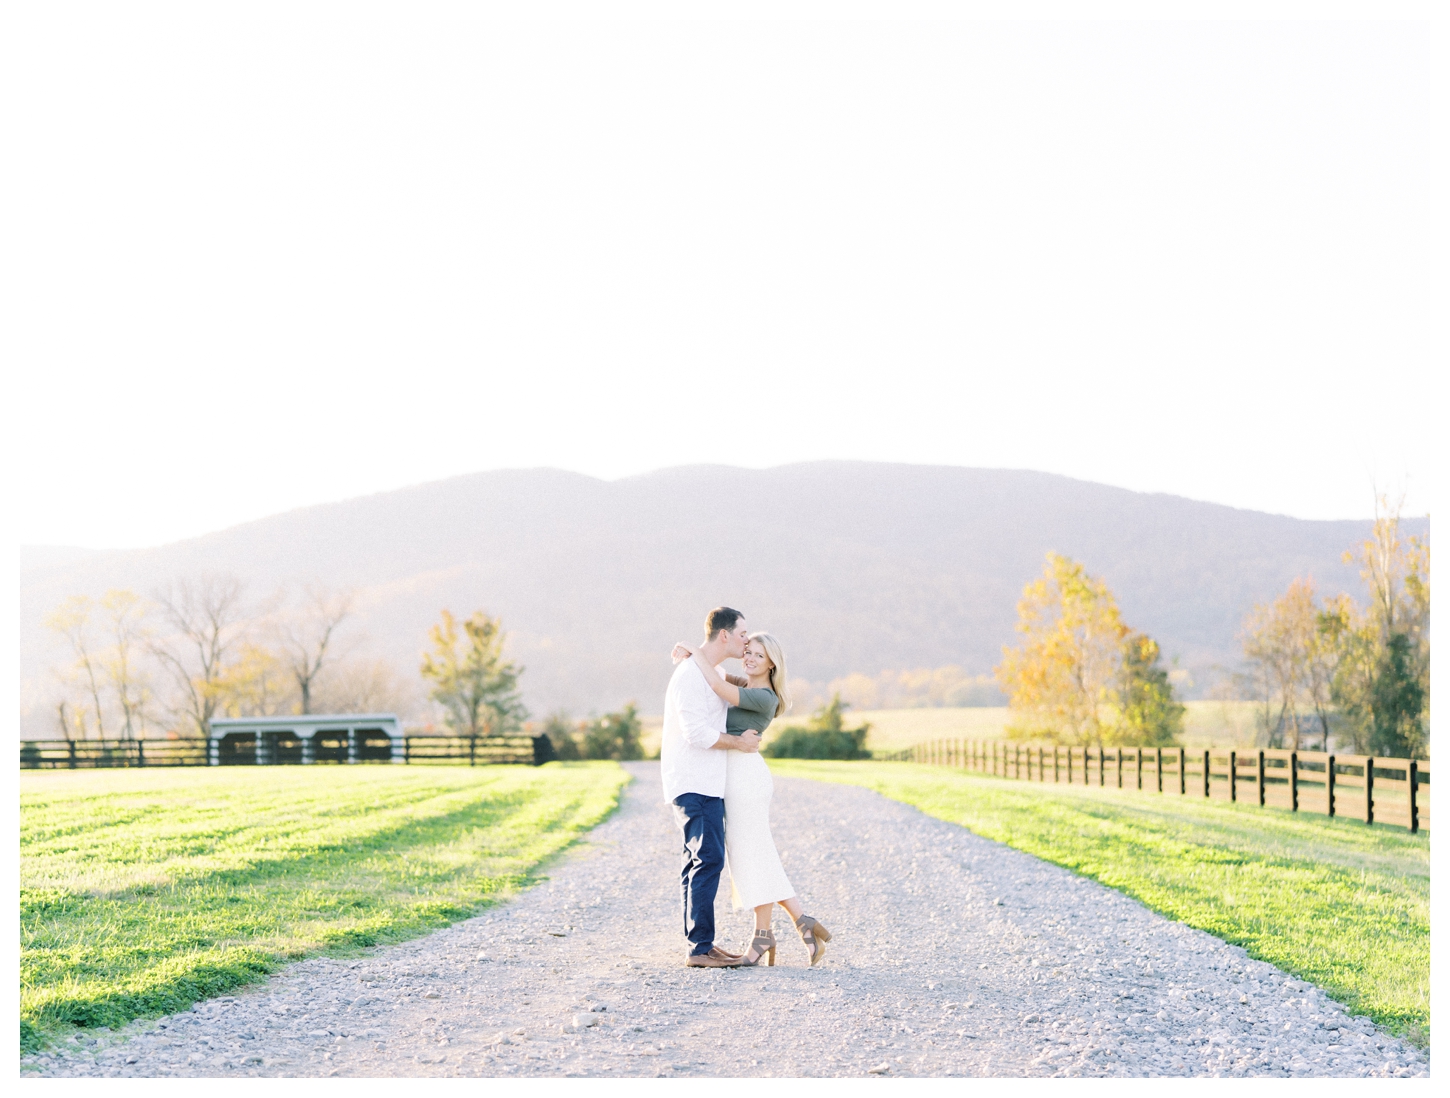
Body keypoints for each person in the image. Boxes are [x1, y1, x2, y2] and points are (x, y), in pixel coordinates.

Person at [670, 631, 832, 967]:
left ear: (772, 663)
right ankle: (777, 931)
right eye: (748, 652)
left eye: (759, 655)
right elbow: (718, 674)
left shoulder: (764, 696)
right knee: (752, 854)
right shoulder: (747, 684)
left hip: (745, 779)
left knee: (752, 852)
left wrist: (692, 648)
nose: (751, 658)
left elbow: (716, 686)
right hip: (735, 778)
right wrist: (699, 658)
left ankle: (797, 923)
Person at [659, 606, 761, 968]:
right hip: (693, 780)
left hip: (705, 781)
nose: (746, 639)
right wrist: (739, 743)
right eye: (742, 634)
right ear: (724, 635)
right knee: (709, 858)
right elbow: (696, 733)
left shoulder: (709, 669)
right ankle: (700, 949)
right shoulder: (690, 674)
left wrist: (691, 647)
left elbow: (739, 684)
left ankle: (700, 944)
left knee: (698, 860)